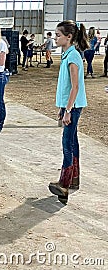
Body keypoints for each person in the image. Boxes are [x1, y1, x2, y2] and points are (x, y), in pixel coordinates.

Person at [48, 20, 88, 204]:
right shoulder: (68, 55)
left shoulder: (73, 57)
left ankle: (64, 183)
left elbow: (75, 87)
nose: (55, 38)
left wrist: (68, 110)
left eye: (58, 35)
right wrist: (62, 107)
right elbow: (66, 88)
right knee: (72, 141)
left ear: (69, 37)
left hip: (74, 106)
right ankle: (74, 178)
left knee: (67, 143)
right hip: (70, 106)